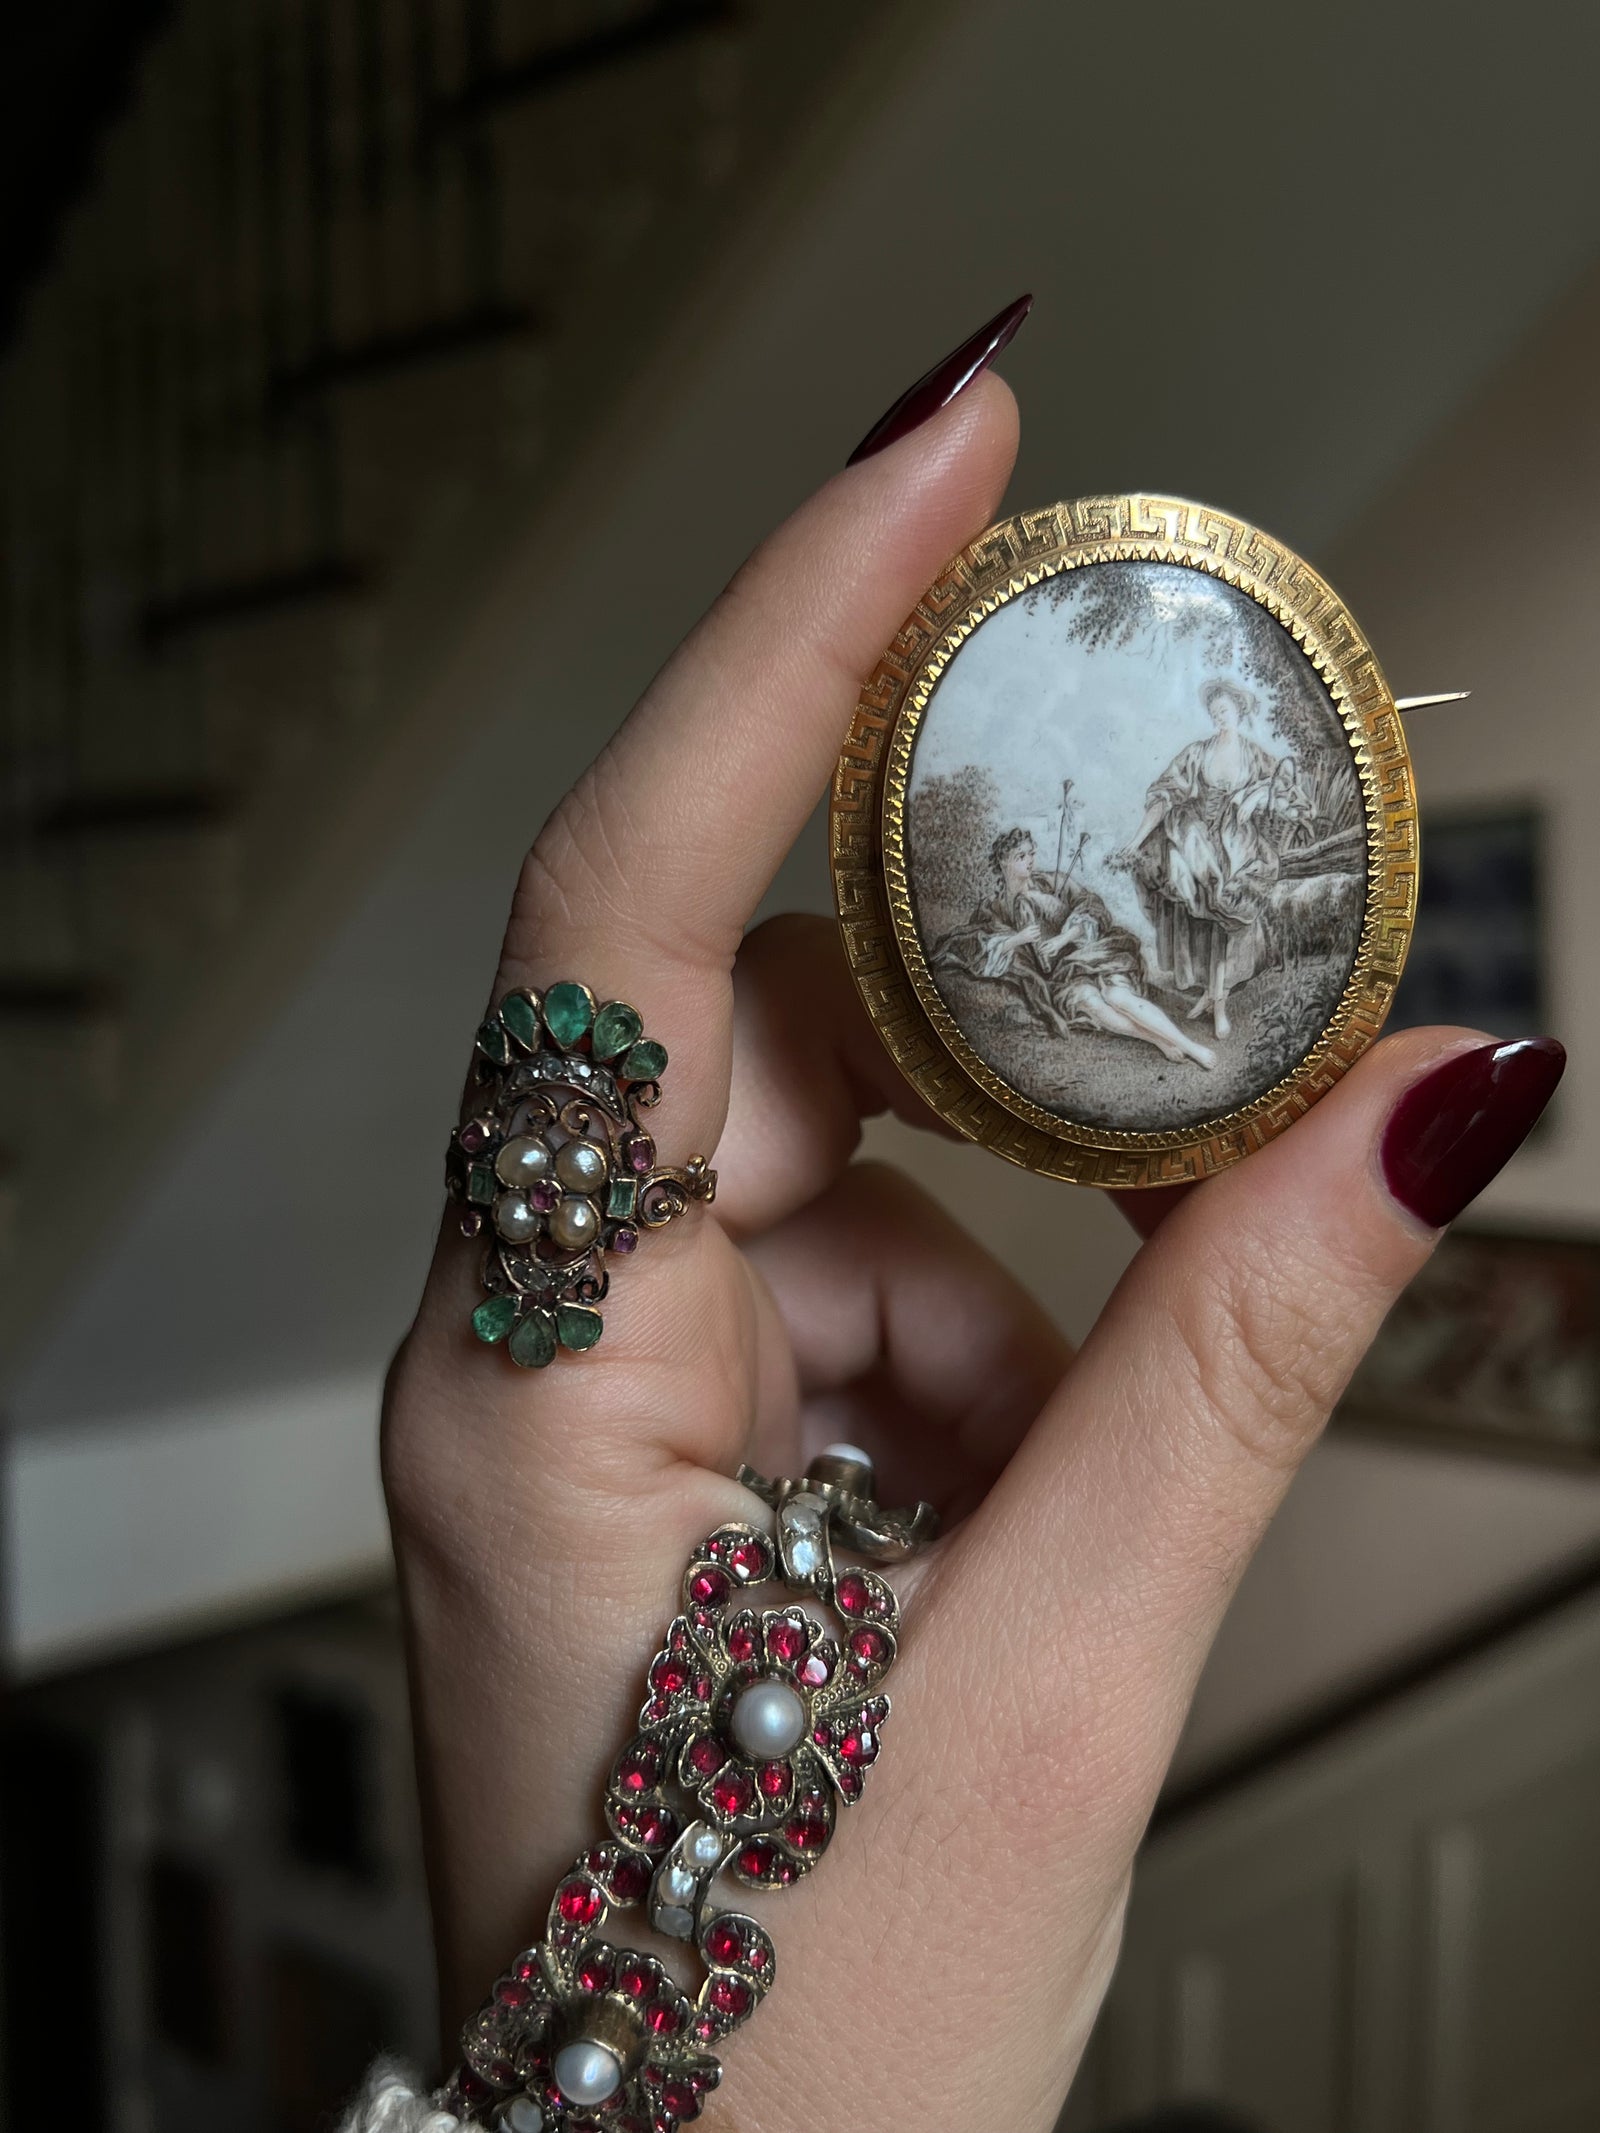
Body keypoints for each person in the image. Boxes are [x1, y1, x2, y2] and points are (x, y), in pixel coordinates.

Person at [370, 308, 1563, 2133]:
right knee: (1157, 1008)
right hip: (1075, 992)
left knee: (1175, 998)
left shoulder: (1178, 822)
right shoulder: (1051, 885)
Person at [934, 825, 1217, 1068]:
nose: (1030, 861)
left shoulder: (1053, 881)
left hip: (1094, 953)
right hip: (1061, 976)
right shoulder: (995, 907)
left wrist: (1063, 938)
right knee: (1091, 1003)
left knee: (1117, 996)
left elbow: (1093, 907)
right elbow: (974, 942)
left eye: (1031, 853)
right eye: (1021, 856)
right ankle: (1158, 1039)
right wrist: (1016, 940)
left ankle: (1191, 1047)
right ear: (1004, 863)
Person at [1124, 679, 1309, 1039]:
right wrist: (1136, 841)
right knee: (1203, 911)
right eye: (1213, 713)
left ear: (1238, 710)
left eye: (1224, 711)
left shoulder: (1255, 755)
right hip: (1194, 833)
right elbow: (1164, 794)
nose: (1219, 717)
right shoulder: (1198, 752)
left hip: (1236, 841)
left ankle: (1219, 1002)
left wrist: (1256, 794)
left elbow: (1289, 790)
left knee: (1227, 909)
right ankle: (1211, 993)